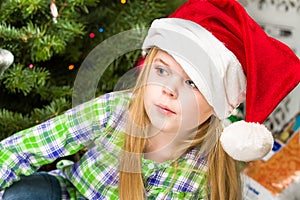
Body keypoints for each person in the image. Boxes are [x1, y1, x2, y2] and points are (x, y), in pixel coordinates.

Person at [0, 0, 299, 199]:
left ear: (219, 104)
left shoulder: (205, 166)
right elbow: (26, 148)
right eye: (162, 71)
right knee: (23, 194)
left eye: (193, 83)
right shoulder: (115, 110)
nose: (169, 90)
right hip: (70, 192)